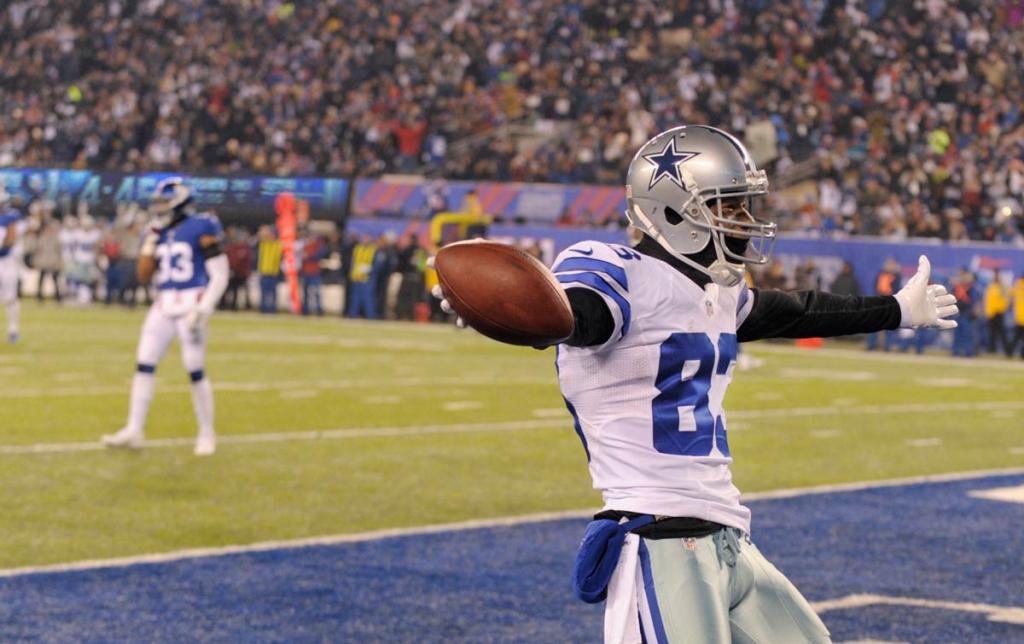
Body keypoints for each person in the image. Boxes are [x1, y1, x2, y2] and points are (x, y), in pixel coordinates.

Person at [432, 125, 958, 644]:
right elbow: (581, 317)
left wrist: (897, 309)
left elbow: (796, 310)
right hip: (658, 537)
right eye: (729, 207)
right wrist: (517, 309)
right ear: (672, 210)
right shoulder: (618, 270)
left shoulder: (716, 292)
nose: (746, 220)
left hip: (728, 535)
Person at [101, 178, 229, 456]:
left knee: (194, 368)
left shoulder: (202, 225)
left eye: (163, 201)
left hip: (191, 302)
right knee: (144, 364)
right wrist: (150, 240)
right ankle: (135, 429)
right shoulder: (158, 231)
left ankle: (207, 432)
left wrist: (204, 308)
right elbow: (143, 275)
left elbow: (220, 272)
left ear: (178, 200)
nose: (158, 207)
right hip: (164, 302)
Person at [0, 191, 24, 343]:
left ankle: (13, 329)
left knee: (10, 297)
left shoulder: (10, 218)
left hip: (6, 260)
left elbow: (11, 238)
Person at [865, 257, 902, 352]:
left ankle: (887, 347)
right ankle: (871, 346)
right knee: (874, 325)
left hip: (890, 302)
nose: (889, 266)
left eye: (891, 264)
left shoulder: (897, 275)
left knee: (889, 326)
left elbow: (897, 288)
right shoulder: (881, 273)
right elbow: (876, 286)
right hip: (879, 301)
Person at [983, 269, 1011, 356]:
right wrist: (988, 310)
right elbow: (988, 299)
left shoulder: (1002, 286)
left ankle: (1007, 351)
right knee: (992, 333)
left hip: (999, 312)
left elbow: (1006, 299)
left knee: (1002, 333)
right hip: (992, 312)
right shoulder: (991, 286)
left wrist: (1002, 308)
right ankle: (991, 349)